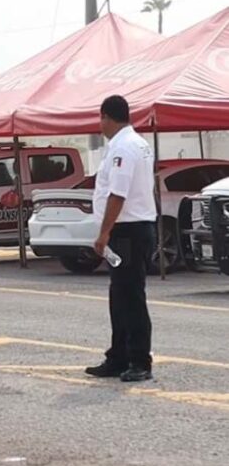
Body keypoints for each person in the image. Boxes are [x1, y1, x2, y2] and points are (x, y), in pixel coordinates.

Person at [88, 95, 156, 383]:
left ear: (106, 117)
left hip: (128, 229)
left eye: (100, 118)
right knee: (120, 296)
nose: (99, 124)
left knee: (131, 297)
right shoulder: (134, 143)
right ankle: (118, 356)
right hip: (130, 228)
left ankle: (140, 360)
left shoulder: (124, 148)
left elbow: (118, 194)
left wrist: (104, 233)